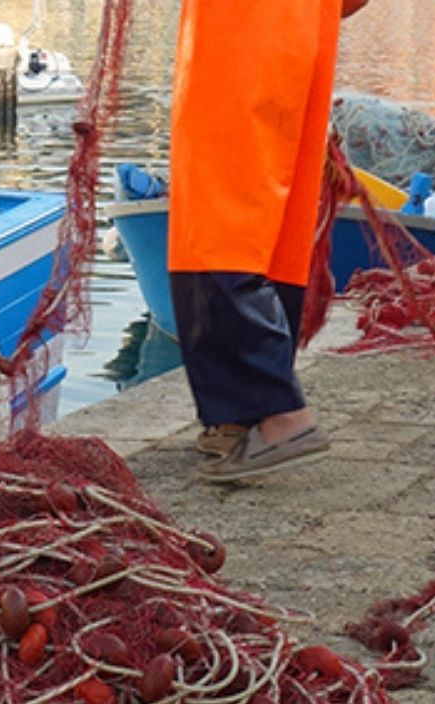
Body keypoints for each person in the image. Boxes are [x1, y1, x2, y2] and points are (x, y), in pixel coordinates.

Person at [168, 0, 370, 481]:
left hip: (240, 35)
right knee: (273, 226)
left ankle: (279, 413)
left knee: (219, 218)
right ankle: (242, 416)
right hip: (299, 34)